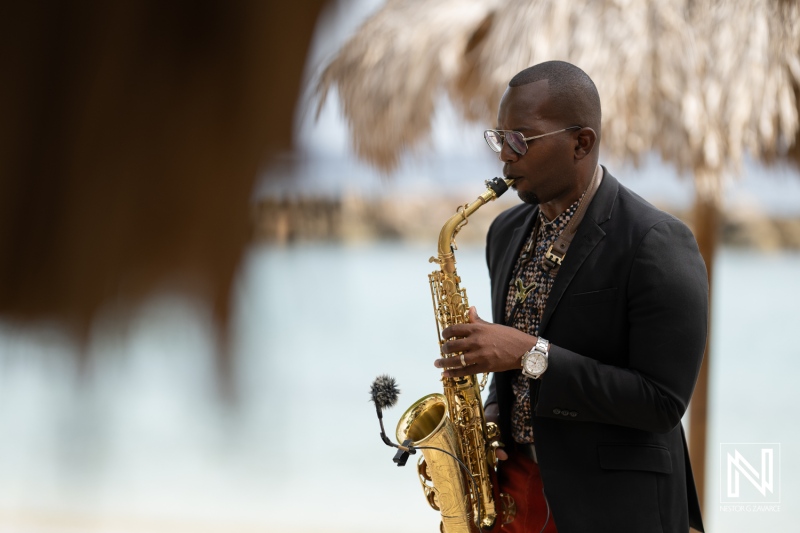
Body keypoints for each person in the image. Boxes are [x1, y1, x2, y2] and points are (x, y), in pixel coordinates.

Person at [433, 61, 708, 533]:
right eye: (499, 139)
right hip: (516, 493)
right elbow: (520, 375)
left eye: (520, 139)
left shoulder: (658, 242)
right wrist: (492, 413)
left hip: (615, 509)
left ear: (582, 142)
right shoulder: (504, 231)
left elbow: (662, 401)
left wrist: (525, 353)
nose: (504, 158)